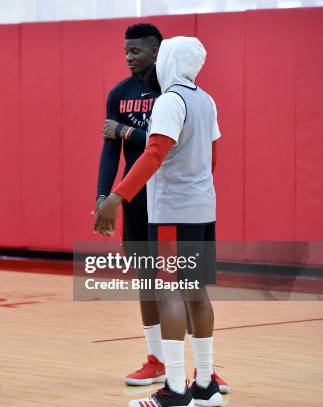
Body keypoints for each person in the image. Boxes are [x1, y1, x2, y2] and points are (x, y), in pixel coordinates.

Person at [95, 36, 224, 407]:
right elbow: (212, 157)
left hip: (171, 212)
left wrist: (116, 197)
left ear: (168, 60)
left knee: (168, 293)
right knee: (196, 293)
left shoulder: (171, 100)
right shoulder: (206, 99)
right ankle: (205, 385)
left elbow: (153, 155)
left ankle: (175, 390)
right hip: (203, 209)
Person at [97, 22, 166, 387]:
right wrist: (101, 194)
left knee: (181, 280)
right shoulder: (118, 94)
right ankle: (156, 358)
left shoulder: (172, 90)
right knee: (145, 278)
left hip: (170, 197)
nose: (128, 56)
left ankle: (203, 365)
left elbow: (168, 144)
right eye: (125, 51)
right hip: (134, 197)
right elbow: (110, 151)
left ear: (156, 51)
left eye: (135, 51)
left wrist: (125, 131)